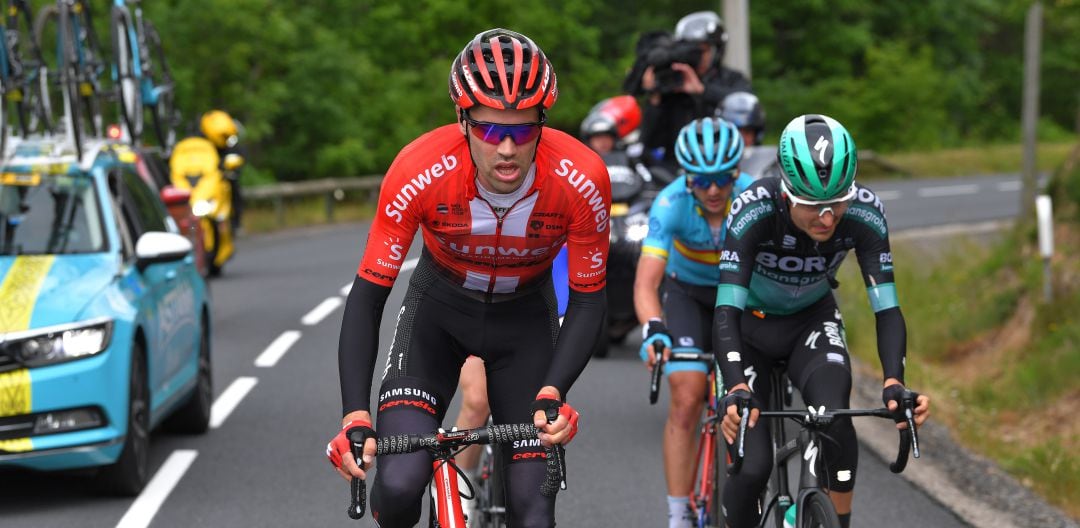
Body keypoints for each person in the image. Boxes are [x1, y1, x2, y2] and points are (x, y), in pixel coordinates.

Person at [325, 28, 611, 527]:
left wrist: (555, 392)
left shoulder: (582, 179)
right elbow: (369, 296)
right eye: (487, 129)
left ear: (542, 125)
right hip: (438, 314)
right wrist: (355, 415)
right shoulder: (419, 169)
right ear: (462, 121)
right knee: (396, 487)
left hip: (524, 323)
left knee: (533, 510)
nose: (506, 147)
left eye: (522, 130)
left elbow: (588, 301)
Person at [712, 115, 931, 528]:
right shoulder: (752, 210)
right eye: (812, 205)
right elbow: (725, 310)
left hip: (811, 322)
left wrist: (893, 382)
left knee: (836, 419)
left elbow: (886, 308)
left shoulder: (866, 213)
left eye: (838, 202)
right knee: (754, 464)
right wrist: (736, 385)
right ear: (786, 191)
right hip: (750, 330)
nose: (827, 218)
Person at [633, 117, 754, 528]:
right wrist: (653, 327)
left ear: (736, 172)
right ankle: (679, 514)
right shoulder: (669, 205)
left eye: (723, 178)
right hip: (687, 295)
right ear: (687, 178)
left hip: (740, 298)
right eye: (702, 181)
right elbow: (647, 283)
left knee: (754, 395)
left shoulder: (753, 198)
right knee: (686, 398)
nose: (714, 190)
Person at [631, 11, 751, 174]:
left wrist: (702, 91)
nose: (697, 57)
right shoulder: (671, 84)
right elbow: (649, 142)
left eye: (702, 50)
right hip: (677, 173)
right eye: (690, 51)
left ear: (717, 50)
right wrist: (655, 98)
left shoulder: (731, 79)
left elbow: (746, 106)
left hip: (723, 168)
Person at [199, 110, 245, 229]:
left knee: (233, 188)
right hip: (206, 177)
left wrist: (230, 169)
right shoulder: (202, 143)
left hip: (224, 175)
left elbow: (238, 156)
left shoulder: (230, 140)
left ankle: (235, 223)